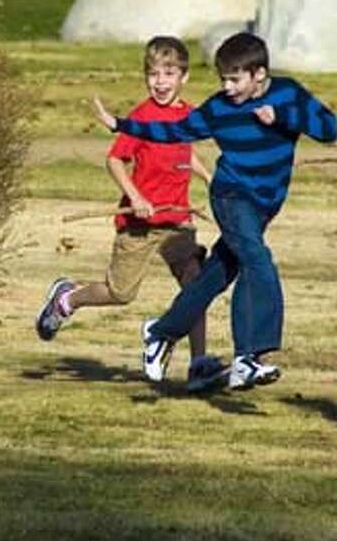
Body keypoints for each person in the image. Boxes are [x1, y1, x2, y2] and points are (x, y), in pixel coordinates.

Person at [91, 32, 337, 391]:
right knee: (257, 260)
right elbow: (173, 130)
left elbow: (330, 130)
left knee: (219, 272)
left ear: (259, 74)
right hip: (231, 196)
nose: (227, 87)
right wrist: (121, 124)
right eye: (223, 79)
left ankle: (161, 331)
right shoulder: (219, 107)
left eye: (234, 80)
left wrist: (284, 117)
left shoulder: (287, 93)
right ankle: (248, 356)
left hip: (266, 204)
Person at [35, 36, 224, 391]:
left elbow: (184, 151)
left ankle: (199, 364)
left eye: (169, 73)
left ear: (184, 77)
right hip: (139, 225)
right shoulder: (142, 117)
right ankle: (66, 299)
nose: (160, 82)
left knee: (195, 288)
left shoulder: (188, 114)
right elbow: (115, 160)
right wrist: (135, 196)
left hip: (178, 221)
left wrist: (209, 177)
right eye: (153, 74)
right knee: (120, 293)